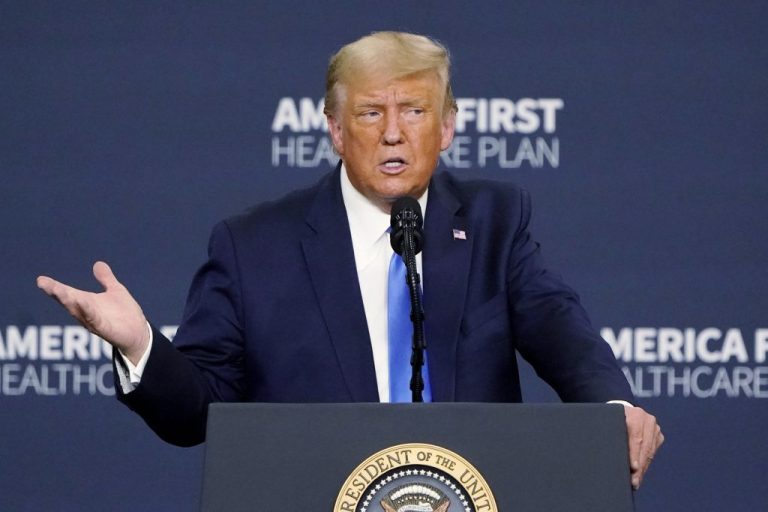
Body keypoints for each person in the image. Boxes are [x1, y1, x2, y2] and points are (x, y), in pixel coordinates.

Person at [37, 31, 663, 489]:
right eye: (370, 113)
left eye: (414, 111)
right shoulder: (253, 247)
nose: (394, 132)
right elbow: (196, 413)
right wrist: (142, 345)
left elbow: (561, 330)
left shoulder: (496, 221)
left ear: (446, 127)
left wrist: (615, 413)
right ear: (336, 130)